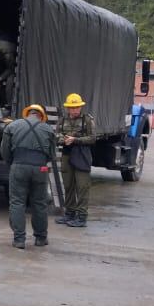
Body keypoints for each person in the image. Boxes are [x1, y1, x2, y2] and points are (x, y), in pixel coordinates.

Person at [0, 103, 56, 249]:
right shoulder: (48, 129)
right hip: (41, 168)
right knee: (39, 203)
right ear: (41, 116)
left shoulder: (12, 126)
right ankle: (41, 238)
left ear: (27, 114)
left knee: (17, 202)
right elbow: (52, 155)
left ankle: (19, 240)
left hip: (18, 166)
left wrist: (13, 163)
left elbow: (4, 151)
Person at [56, 92, 97, 228]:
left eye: (77, 107)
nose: (74, 110)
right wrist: (64, 140)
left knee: (82, 187)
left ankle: (81, 217)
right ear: (67, 108)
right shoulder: (62, 120)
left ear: (80, 107)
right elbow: (56, 136)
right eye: (71, 108)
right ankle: (69, 213)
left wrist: (76, 140)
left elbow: (92, 138)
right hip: (67, 155)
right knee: (68, 186)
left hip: (82, 155)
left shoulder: (87, 120)